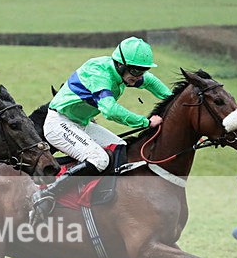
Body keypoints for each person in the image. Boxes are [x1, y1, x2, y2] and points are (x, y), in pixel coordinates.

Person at [30, 36, 173, 221]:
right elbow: (110, 110)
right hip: (59, 123)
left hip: (81, 124)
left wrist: (177, 105)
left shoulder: (125, 73)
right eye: (136, 71)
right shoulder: (100, 73)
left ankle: (99, 200)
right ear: (120, 64)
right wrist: (145, 122)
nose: (139, 76)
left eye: (143, 70)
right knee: (99, 159)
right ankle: (47, 193)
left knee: (121, 148)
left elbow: (152, 82)